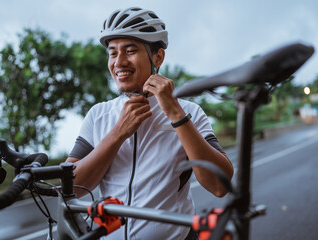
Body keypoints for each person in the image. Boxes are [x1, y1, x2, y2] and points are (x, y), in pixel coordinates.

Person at [66, 6, 233, 240]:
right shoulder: (98, 114)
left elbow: (219, 186)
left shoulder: (189, 112)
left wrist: (175, 113)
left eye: (130, 51)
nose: (119, 62)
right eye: (113, 53)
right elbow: (71, 187)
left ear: (158, 57)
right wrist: (117, 133)